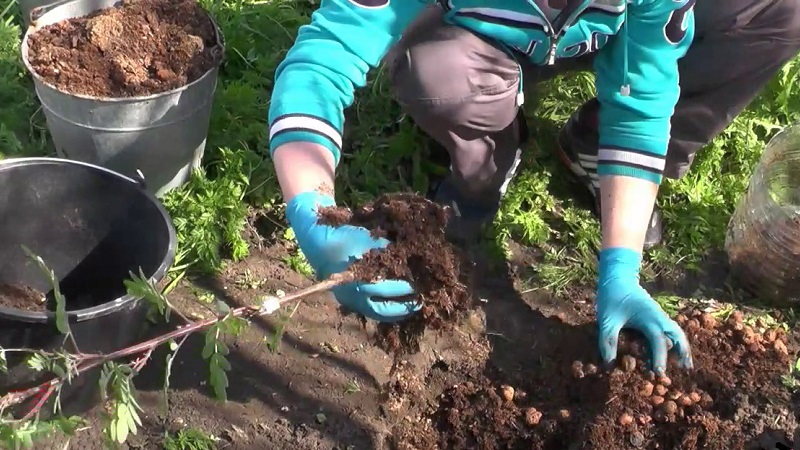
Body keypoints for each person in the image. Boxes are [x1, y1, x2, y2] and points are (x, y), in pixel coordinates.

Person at [267, 0, 800, 376]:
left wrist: (622, 271)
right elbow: (323, 60)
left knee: (778, 7)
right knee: (438, 75)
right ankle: (489, 144)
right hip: (474, 33)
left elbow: (641, 105)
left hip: (596, 28)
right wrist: (314, 215)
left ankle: (592, 148)